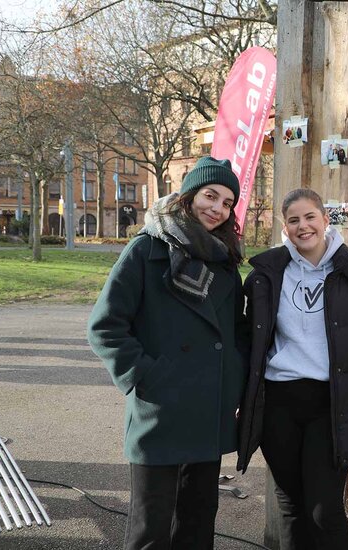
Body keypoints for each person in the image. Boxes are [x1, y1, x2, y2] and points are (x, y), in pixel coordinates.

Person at [88, 156, 248, 550]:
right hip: (160, 409)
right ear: (190, 195)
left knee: (196, 525)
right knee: (150, 529)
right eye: (211, 195)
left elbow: (236, 333)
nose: (217, 208)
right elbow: (105, 326)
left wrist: (233, 383)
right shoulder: (147, 250)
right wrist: (146, 376)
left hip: (208, 412)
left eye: (227, 202)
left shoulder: (226, 262)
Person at [237, 188, 348, 549]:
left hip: (332, 404)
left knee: (324, 511)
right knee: (290, 506)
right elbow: (250, 342)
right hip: (279, 403)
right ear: (284, 227)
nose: (303, 226)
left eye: (310, 217)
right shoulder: (267, 274)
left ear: (326, 220)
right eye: (293, 220)